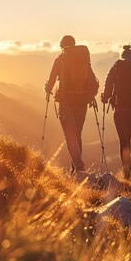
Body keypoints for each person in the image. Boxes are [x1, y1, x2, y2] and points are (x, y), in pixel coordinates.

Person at [45, 35, 98, 173]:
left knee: (70, 135)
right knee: (77, 134)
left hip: (66, 102)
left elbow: (51, 80)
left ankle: (78, 167)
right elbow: (92, 79)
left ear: (63, 46)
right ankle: (75, 168)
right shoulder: (84, 59)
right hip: (82, 101)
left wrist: (47, 89)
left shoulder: (60, 60)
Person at [101, 45, 131, 178]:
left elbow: (108, 84)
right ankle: (127, 171)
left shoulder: (116, 67)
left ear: (122, 56)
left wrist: (105, 98)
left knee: (124, 139)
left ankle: (126, 172)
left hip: (120, 109)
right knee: (128, 138)